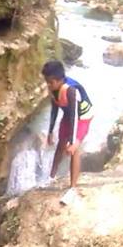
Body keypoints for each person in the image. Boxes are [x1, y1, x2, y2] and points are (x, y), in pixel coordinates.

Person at [40, 61, 93, 204]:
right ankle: (50, 178)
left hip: (82, 118)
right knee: (60, 145)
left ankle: (72, 189)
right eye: (47, 82)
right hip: (68, 115)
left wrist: (74, 140)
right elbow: (55, 110)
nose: (48, 86)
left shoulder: (71, 91)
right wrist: (51, 132)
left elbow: (75, 117)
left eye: (50, 83)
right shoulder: (54, 89)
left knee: (74, 149)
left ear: (59, 80)